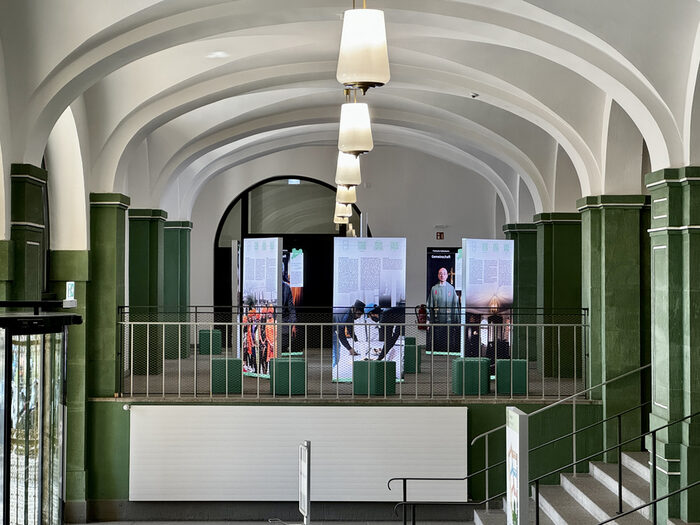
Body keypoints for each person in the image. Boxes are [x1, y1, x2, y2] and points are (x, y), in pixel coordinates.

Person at [427, 267, 460, 353]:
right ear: (438, 275)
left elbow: (455, 306)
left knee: (448, 341)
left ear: (447, 275)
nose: (442, 275)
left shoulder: (451, 289)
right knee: (437, 342)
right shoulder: (434, 289)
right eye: (440, 273)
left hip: (448, 322)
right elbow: (430, 305)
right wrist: (428, 320)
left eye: (444, 273)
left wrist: (457, 321)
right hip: (437, 322)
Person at [332, 299, 365, 380]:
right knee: (336, 349)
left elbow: (350, 327)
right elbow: (341, 334)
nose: (359, 316)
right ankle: (332, 370)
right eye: (359, 314)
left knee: (337, 347)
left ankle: (332, 368)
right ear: (355, 310)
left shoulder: (350, 313)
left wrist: (356, 340)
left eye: (361, 314)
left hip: (334, 327)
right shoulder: (346, 315)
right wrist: (349, 349)